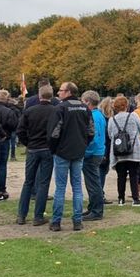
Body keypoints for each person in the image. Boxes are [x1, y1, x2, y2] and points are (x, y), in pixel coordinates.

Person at [47, 81, 93, 232]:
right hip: (78, 151)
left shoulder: (60, 108)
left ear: (68, 92)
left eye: (60, 90)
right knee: (77, 187)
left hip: (62, 152)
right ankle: (77, 221)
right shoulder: (85, 108)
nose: (58, 93)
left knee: (60, 188)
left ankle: (56, 221)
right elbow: (91, 131)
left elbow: (54, 133)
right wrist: (83, 144)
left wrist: (54, 149)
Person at [16, 85, 56, 225]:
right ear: (51, 96)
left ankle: (21, 214)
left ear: (39, 96)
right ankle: (38, 216)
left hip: (33, 148)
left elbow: (20, 130)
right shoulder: (55, 111)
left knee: (28, 182)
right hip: (47, 149)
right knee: (44, 183)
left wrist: (28, 143)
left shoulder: (30, 111)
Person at [109, 96, 140, 207]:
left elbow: (110, 135)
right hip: (133, 150)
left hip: (119, 152)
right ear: (126, 105)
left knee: (121, 176)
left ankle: (121, 199)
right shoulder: (133, 116)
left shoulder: (112, 120)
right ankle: (135, 199)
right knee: (134, 175)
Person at [80, 91, 107, 222]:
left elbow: (93, 138)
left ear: (88, 102)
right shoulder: (100, 115)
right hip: (98, 151)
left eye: (83, 101)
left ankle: (96, 210)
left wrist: (85, 151)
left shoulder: (92, 116)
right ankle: (93, 207)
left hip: (92, 153)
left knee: (93, 183)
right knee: (93, 182)